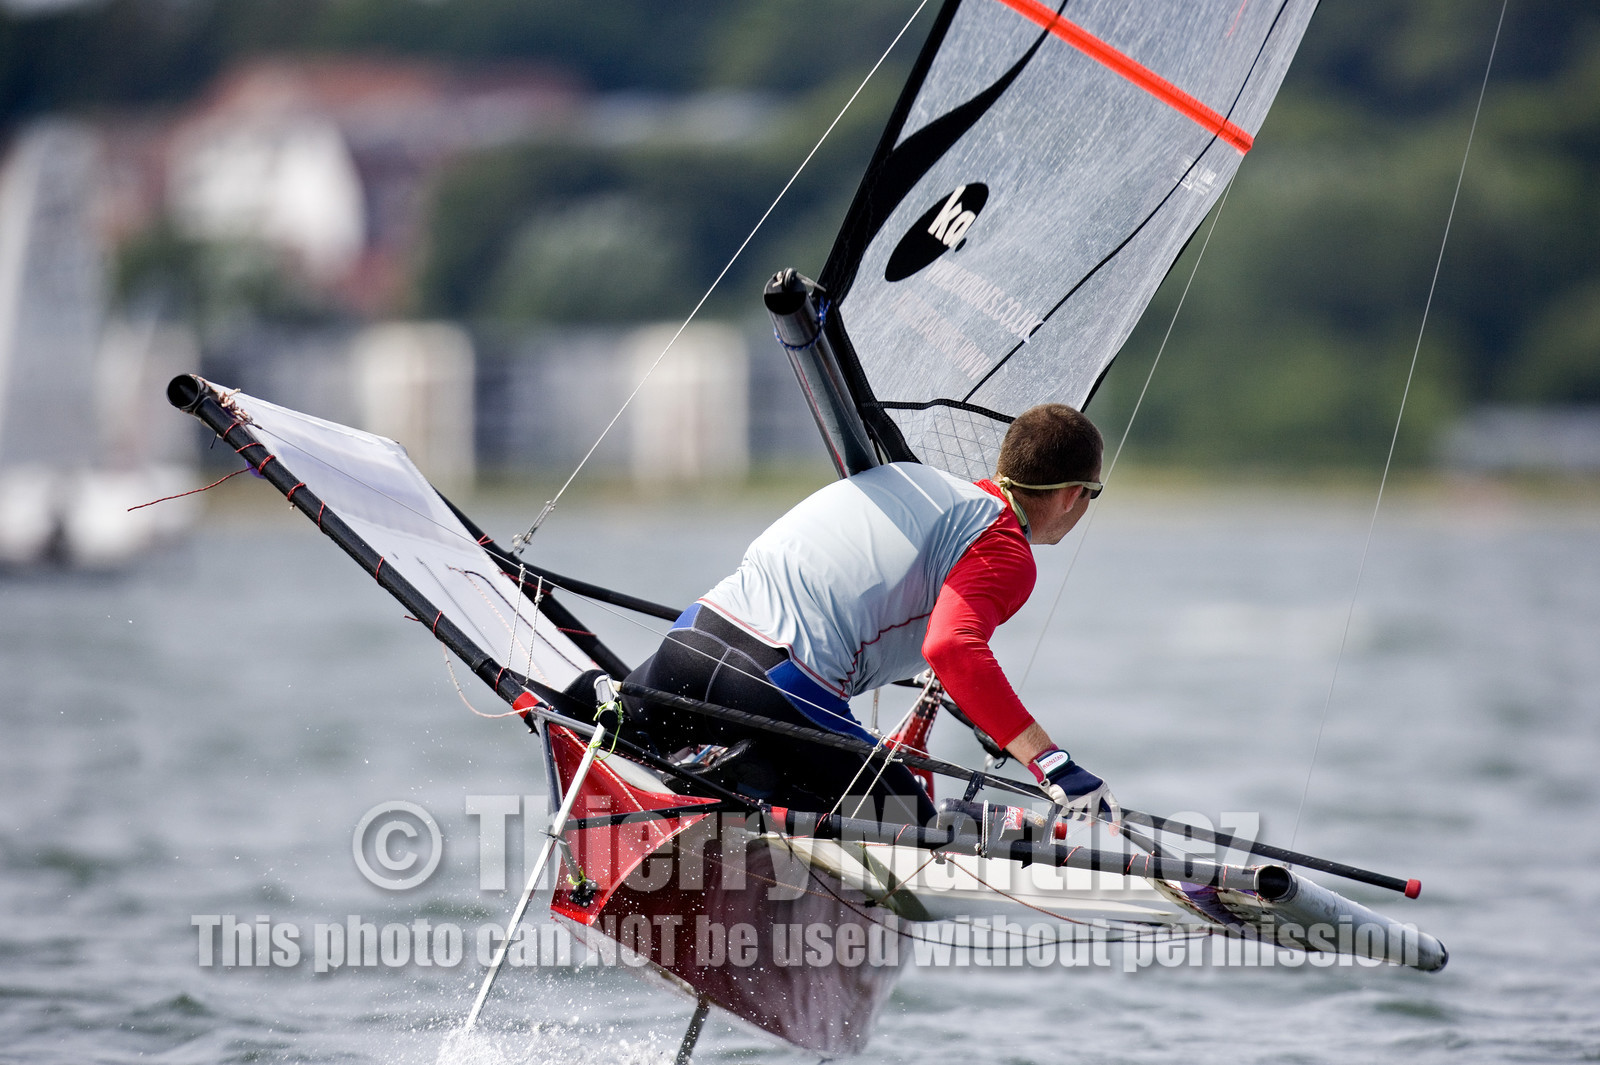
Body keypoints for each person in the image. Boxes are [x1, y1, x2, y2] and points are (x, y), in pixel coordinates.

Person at [621, 403, 1116, 826]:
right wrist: (1054, 764)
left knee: (609, 727)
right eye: (1091, 496)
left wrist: (989, 710)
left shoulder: (912, 477)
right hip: (777, 686)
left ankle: (645, 734)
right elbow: (951, 647)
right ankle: (750, 780)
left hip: (688, 640)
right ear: (1073, 494)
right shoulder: (1004, 544)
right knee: (922, 833)